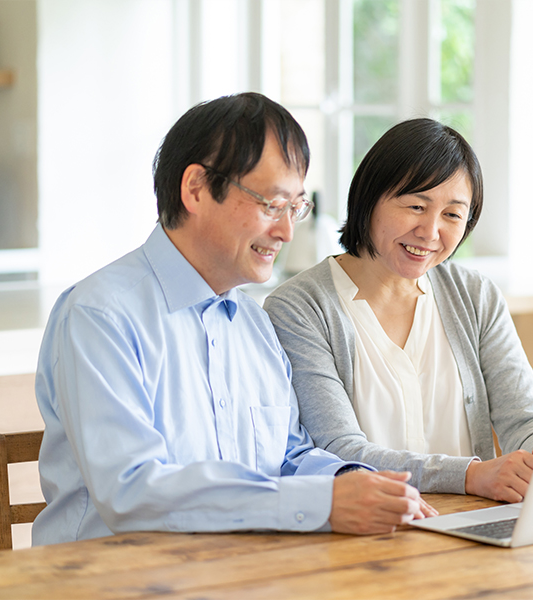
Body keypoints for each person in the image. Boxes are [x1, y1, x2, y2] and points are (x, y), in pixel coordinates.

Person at [32, 93, 434, 546]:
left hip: (237, 573)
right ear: (197, 189)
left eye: (295, 208)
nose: (285, 232)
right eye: (271, 205)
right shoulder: (100, 315)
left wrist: (357, 482)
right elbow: (131, 491)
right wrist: (323, 503)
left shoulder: (253, 324)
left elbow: (286, 455)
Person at [264, 118, 533, 504]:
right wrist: (469, 474)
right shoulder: (299, 307)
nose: (431, 231)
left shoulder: (476, 296)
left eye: (452, 214)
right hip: (369, 532)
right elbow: (339, 451)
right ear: (370, 199)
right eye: (416, 206)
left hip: (474, 525)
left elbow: (526, 419)